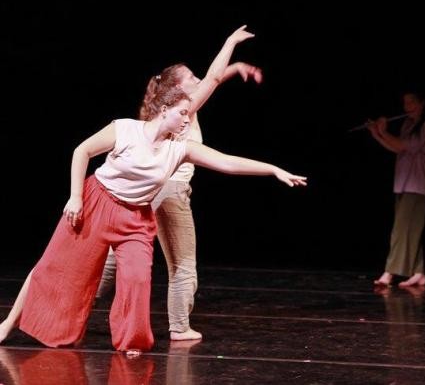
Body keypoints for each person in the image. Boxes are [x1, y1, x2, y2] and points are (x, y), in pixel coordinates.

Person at [0, 79, 306, 353]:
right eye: (183, 112)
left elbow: (227, 162)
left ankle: (131, 341)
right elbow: (82, 151)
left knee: (136, 278)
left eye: (189, 113)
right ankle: (9, 323)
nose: (188, 118)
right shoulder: (125, 129)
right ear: (164, 109)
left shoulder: (180, 149)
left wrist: (273, 169)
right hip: (96, 204)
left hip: (135, 219)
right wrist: (76, 197)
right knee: (52, 267)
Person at [96, 27, 263, 342]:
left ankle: (79, 301)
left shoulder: (166, 112)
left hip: (147, 193)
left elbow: (211, 79)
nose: (198, 82)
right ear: (176, 90)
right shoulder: (186, 109)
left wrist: (235, 70)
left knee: (113, 259)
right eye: (191, 79)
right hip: (171, 193)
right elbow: (212, 79)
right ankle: (179, 327)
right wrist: (230, 44)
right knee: (183, 263)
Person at [367, 89, 425, 288]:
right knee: (410, 230)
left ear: (422, 103)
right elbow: (394, 148)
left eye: (412, 103)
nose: (407, 108)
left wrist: (383, 130)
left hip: (418, 184)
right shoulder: (408, 124)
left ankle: (388, 274)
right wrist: (377, 134)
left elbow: (402, 146)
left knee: (400, 231)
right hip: (403, 183)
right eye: (405, 103)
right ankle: (419, 272)